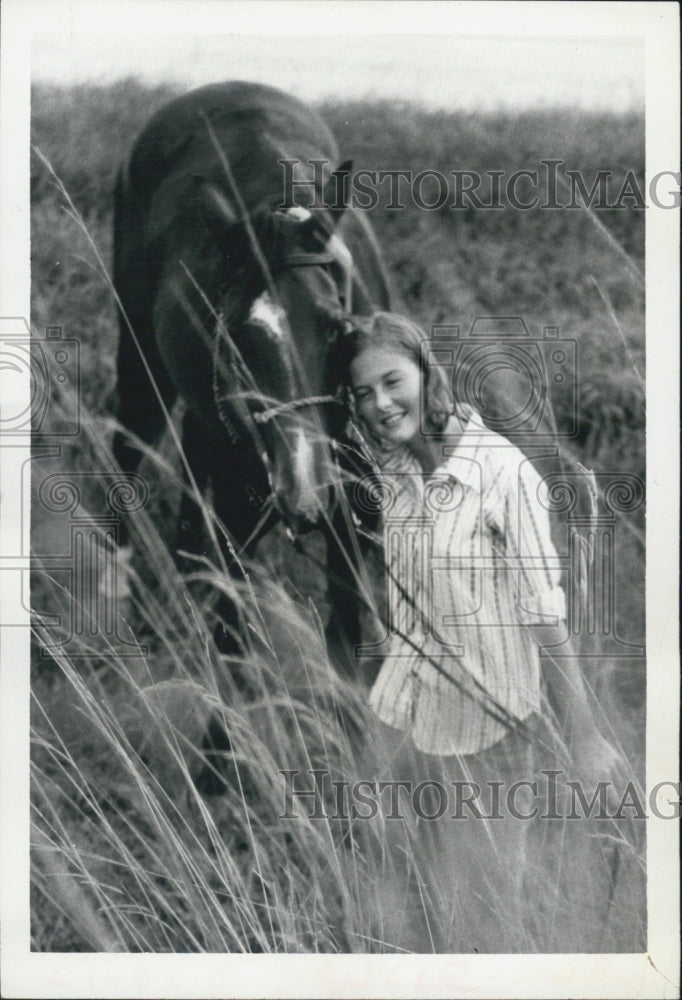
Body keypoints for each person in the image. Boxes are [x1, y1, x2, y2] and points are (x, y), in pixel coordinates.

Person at [334, 311, 629, 952]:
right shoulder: (394, 474)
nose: (380, 404)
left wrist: (586, 737)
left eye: (391, 381)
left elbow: (543, 612)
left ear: (424, 372)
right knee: (414, 912)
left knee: (485, 920)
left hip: (496, 736)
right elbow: (411, 617)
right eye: (362, 393)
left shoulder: (501, 472)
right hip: (416, 729)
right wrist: (378, 750)